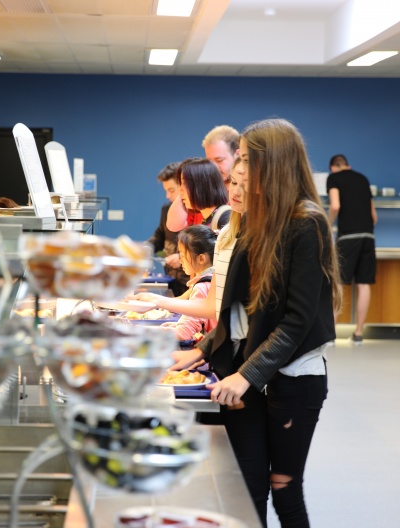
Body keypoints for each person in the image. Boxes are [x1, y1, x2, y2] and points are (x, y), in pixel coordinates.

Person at [171, 118, 342, 527]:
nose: (238, 170)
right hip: (244, 373)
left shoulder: (307, 222)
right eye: (240, 159)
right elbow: (237, 310)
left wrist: (246, 375)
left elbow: (297, 322)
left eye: (247, 159)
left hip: (291, 377)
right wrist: (201, 351)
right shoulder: (251, 219)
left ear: (276, 164)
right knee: (246, 490)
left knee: (284, 488)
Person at [133, 157, 248, 322]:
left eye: (183, 185)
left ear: (199, 185)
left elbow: (215, 293)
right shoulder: (206, 219)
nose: (180, 193)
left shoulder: (225, 219)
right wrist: (158, 301)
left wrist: (159, 302)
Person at [326, 153, 377, 345]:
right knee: (363, 284)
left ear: (333, 167)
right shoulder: (363, 179)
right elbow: (374, 217)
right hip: (368, 237)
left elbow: (335, 205)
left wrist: (328, 224)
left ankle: (331, 334)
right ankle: (358, 333)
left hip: (348, 237)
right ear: (347, 164)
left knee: (338, 283)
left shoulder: (334, 178)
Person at [166, 125, 239, 232]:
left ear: (237, 154)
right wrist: (186, 185)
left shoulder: (244, 194)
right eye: (209, 161)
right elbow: (173, 226)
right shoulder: (200, 195)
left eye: (219, 160)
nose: (214, 167)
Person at [161, 225, 217, 342]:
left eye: (182, 255)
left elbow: (183, 333)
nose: (180, 260)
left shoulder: (202, 287)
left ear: (201, 259)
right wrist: (177, 325)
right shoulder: (214, 279)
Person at [147, 162, 190, 296]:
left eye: (171, 190)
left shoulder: (198, 211)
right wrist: (147, 248)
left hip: (190, 281)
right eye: (166, 190)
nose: (167, 196)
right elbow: (159, 235)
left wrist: (183, 257)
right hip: (171, 278)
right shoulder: (167, 209)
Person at [178, 158, 231, 231]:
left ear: (202, 185)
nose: (180, 190)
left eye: (185, 184)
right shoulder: (207, 218)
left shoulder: (225, 217)